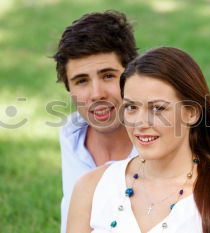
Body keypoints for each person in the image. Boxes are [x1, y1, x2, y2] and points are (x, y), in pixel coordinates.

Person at [67, 47, 210, 233]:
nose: (140, 123)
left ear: (191, 113)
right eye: (131, 107)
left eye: (158, 108)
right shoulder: (91, 187)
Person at [52, 10, 138, 233]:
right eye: (81, 81)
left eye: (108, 75)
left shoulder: (159, 142)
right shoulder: (72, 135)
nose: (96, 93)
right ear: (69, 89)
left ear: (132, 76)